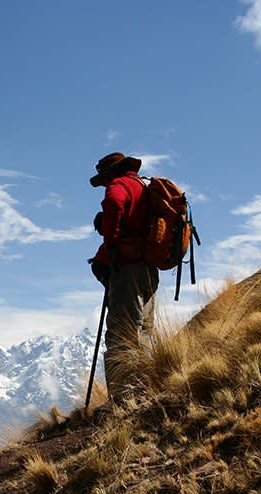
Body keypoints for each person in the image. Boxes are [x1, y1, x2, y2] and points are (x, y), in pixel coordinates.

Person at [88, 152, 159, 402]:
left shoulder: (119, 186)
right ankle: (144, 388)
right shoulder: (143, 185)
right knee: (144, 330)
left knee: (121, 331)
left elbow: (115, 204)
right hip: (149, 267)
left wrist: (110, 243)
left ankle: (124, 397)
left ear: (109, 175)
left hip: (127, 268)